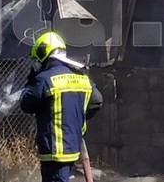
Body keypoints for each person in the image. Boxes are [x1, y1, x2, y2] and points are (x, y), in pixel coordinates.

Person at [20, 30, 103, 182]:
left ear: (43, 53)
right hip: (73, 146)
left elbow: (26, 104)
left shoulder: (44, 79)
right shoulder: (81, 77)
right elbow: (97, 101)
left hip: (54, 150)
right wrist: (77, 119)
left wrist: (31, 80)